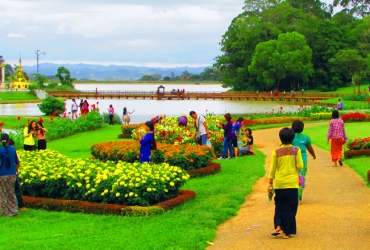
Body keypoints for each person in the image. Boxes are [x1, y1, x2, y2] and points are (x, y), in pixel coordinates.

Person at [269, 128, 303, 239]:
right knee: (291, 207)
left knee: (279, 204)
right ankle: (285, 231)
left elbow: (273, 169)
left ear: (281, 138)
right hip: (291, 183)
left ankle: (279, 224)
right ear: (292, 138)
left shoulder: (276, 151)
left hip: (279, 183)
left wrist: (270, 182)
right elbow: (300, 166)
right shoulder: (296, 150)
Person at [291, 120, 316, 205]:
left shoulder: (289, 137)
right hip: (303, 161)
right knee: (301, 178)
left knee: (292, 178)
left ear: (292, 127)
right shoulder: (306, 138)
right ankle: (298, 197)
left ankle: (292, 197)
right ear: (302, 128)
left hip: (291, 160)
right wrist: (313, 155)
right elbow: (310, 148)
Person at [0, 133, 20, 217]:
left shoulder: (0, 150)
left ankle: (6, 212)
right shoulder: (13, 148)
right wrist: (15, 171)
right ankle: (14, 210)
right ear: (8, 140)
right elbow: (17, 162)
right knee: (11, 192)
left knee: (3, 194)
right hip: (12, 174)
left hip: (2, 174)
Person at [8, 139, 26, 211]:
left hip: (4, 174)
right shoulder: (13, 151)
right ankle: (20, 206)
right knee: (17, 190)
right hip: (13, 173)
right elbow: (18, 163)